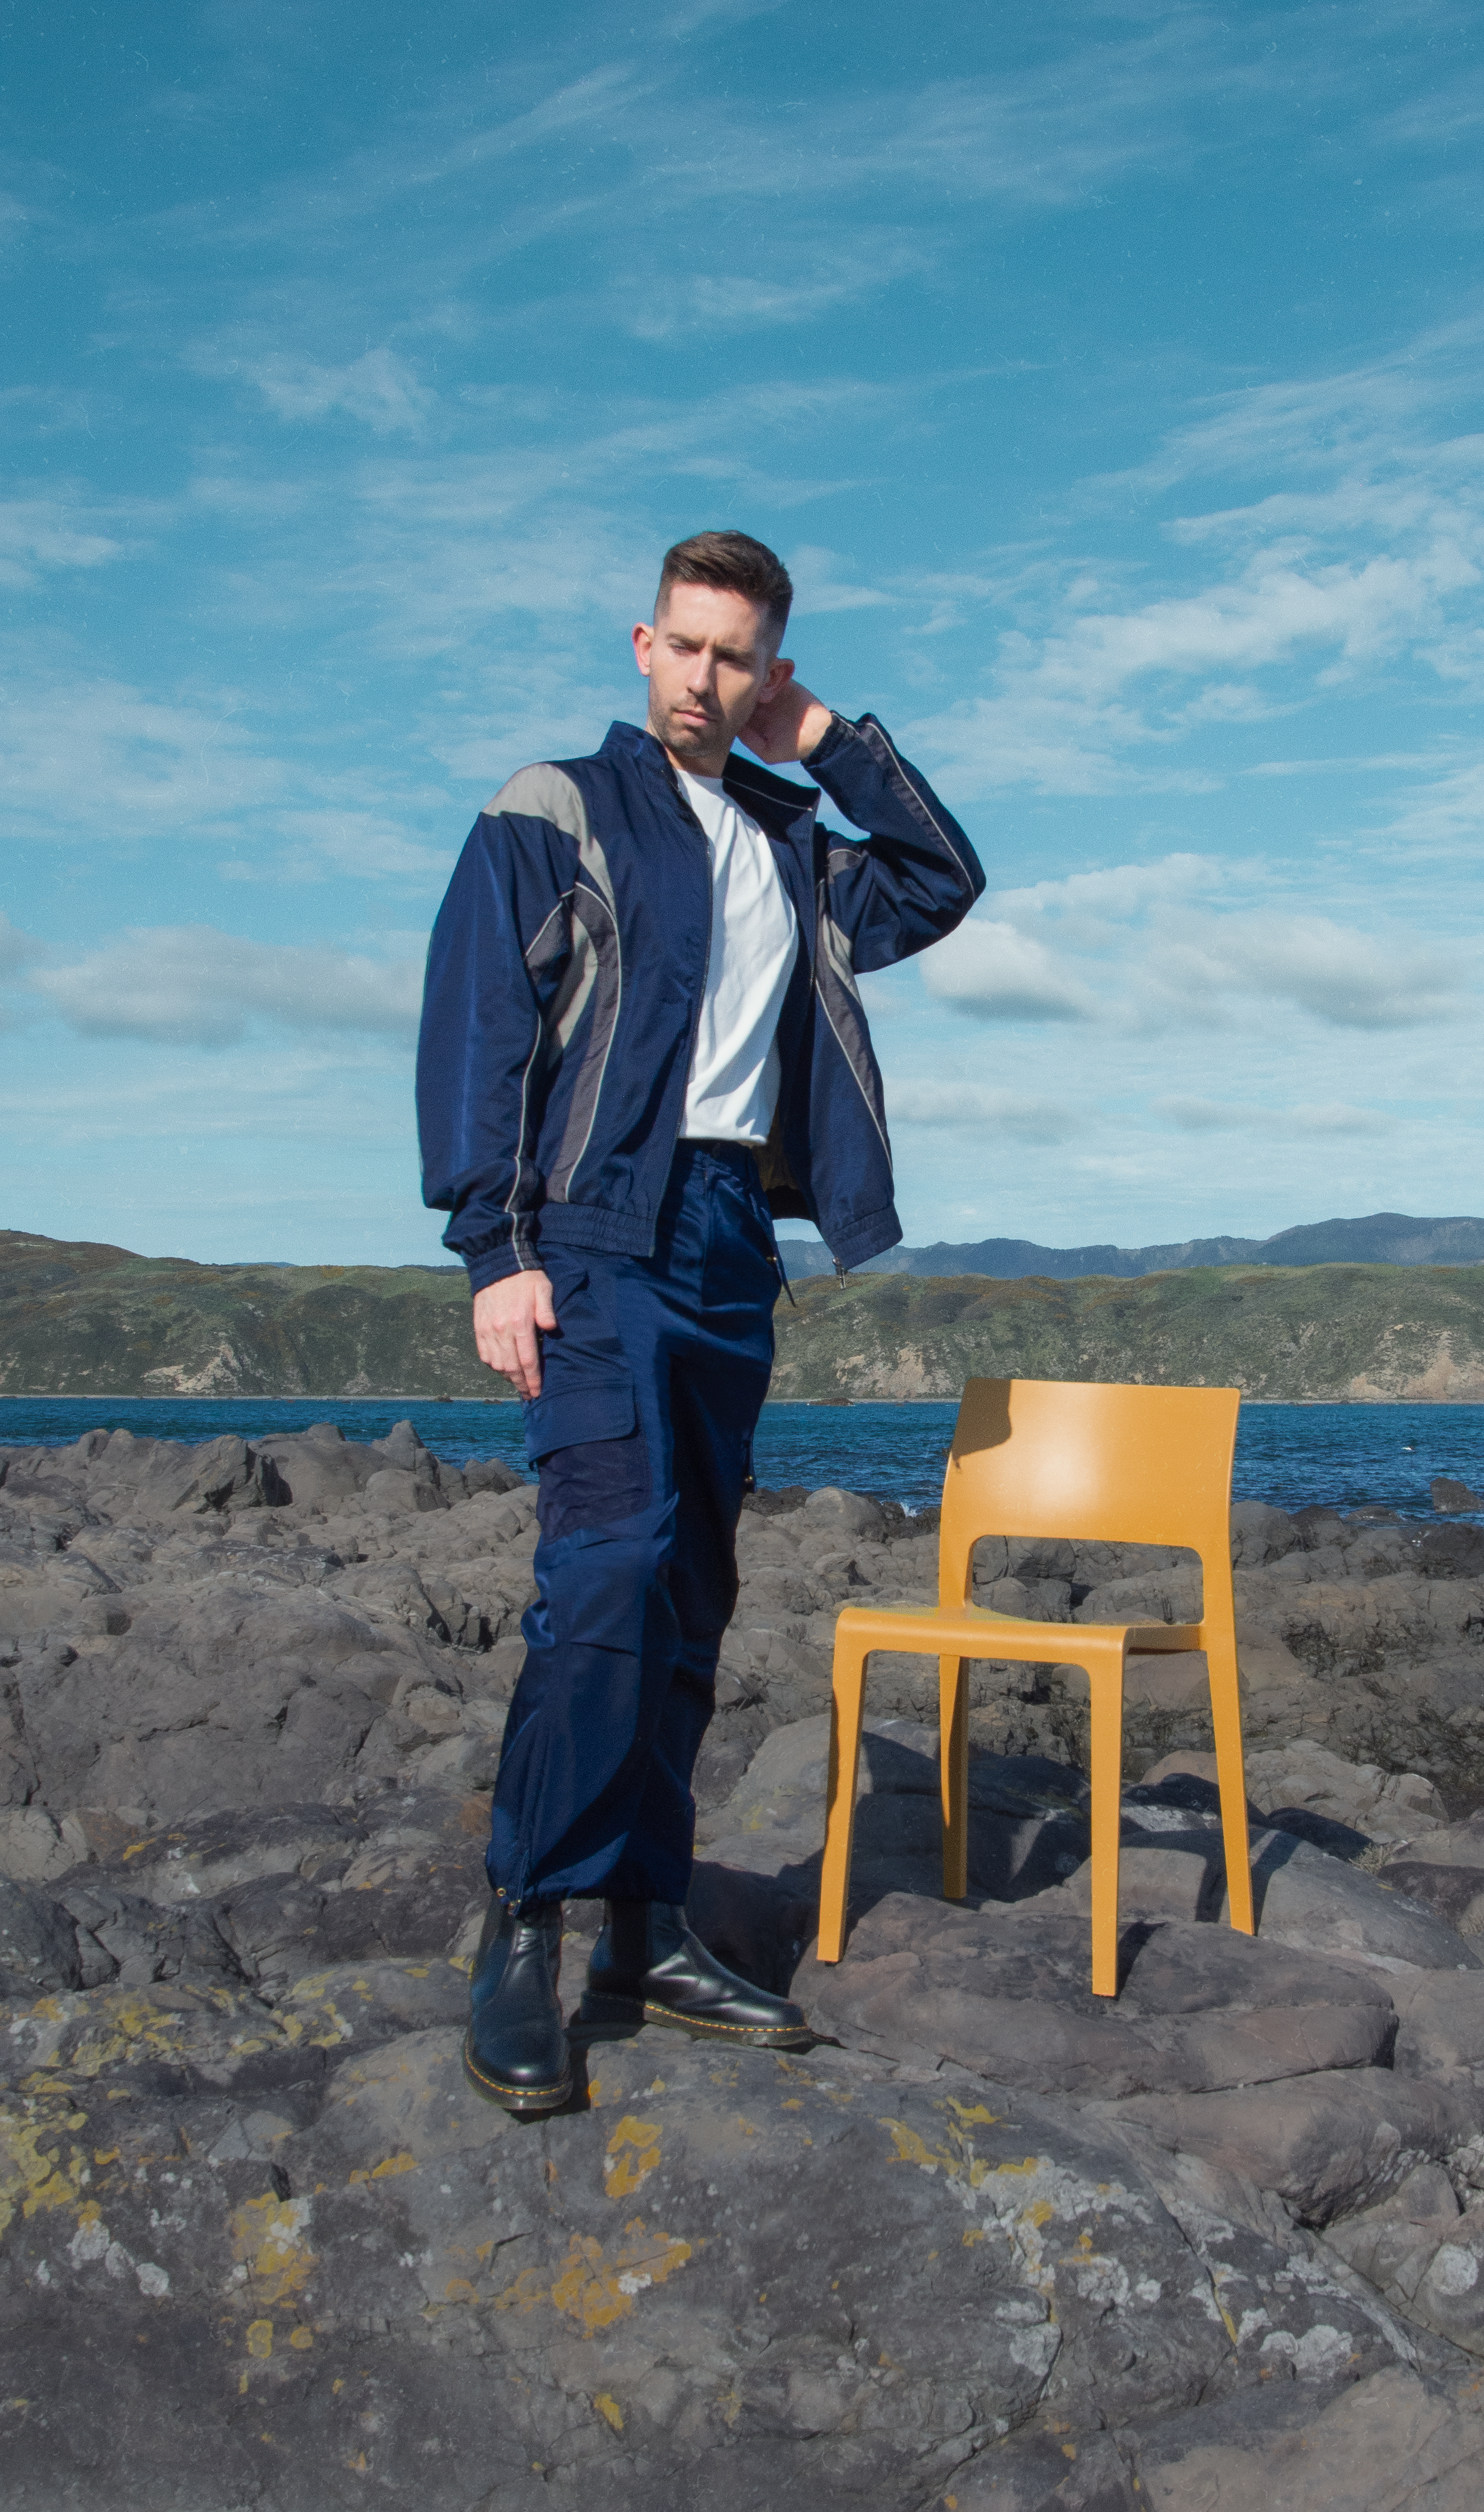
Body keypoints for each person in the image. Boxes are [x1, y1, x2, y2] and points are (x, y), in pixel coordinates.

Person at [417, 528, 985, 2114]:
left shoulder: (796, 838)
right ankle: (521, 1923)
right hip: (592, 1232)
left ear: (765, 667)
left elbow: (943, 878)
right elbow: (479, 1024)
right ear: (641, 644)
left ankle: (645, 1927)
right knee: (602, 1564)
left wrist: (830, 745)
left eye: (738, 658)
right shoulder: (557, 810)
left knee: (689, 1583)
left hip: (733, 1236)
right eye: (684, 646)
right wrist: (493, 1248)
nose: (704, 679)